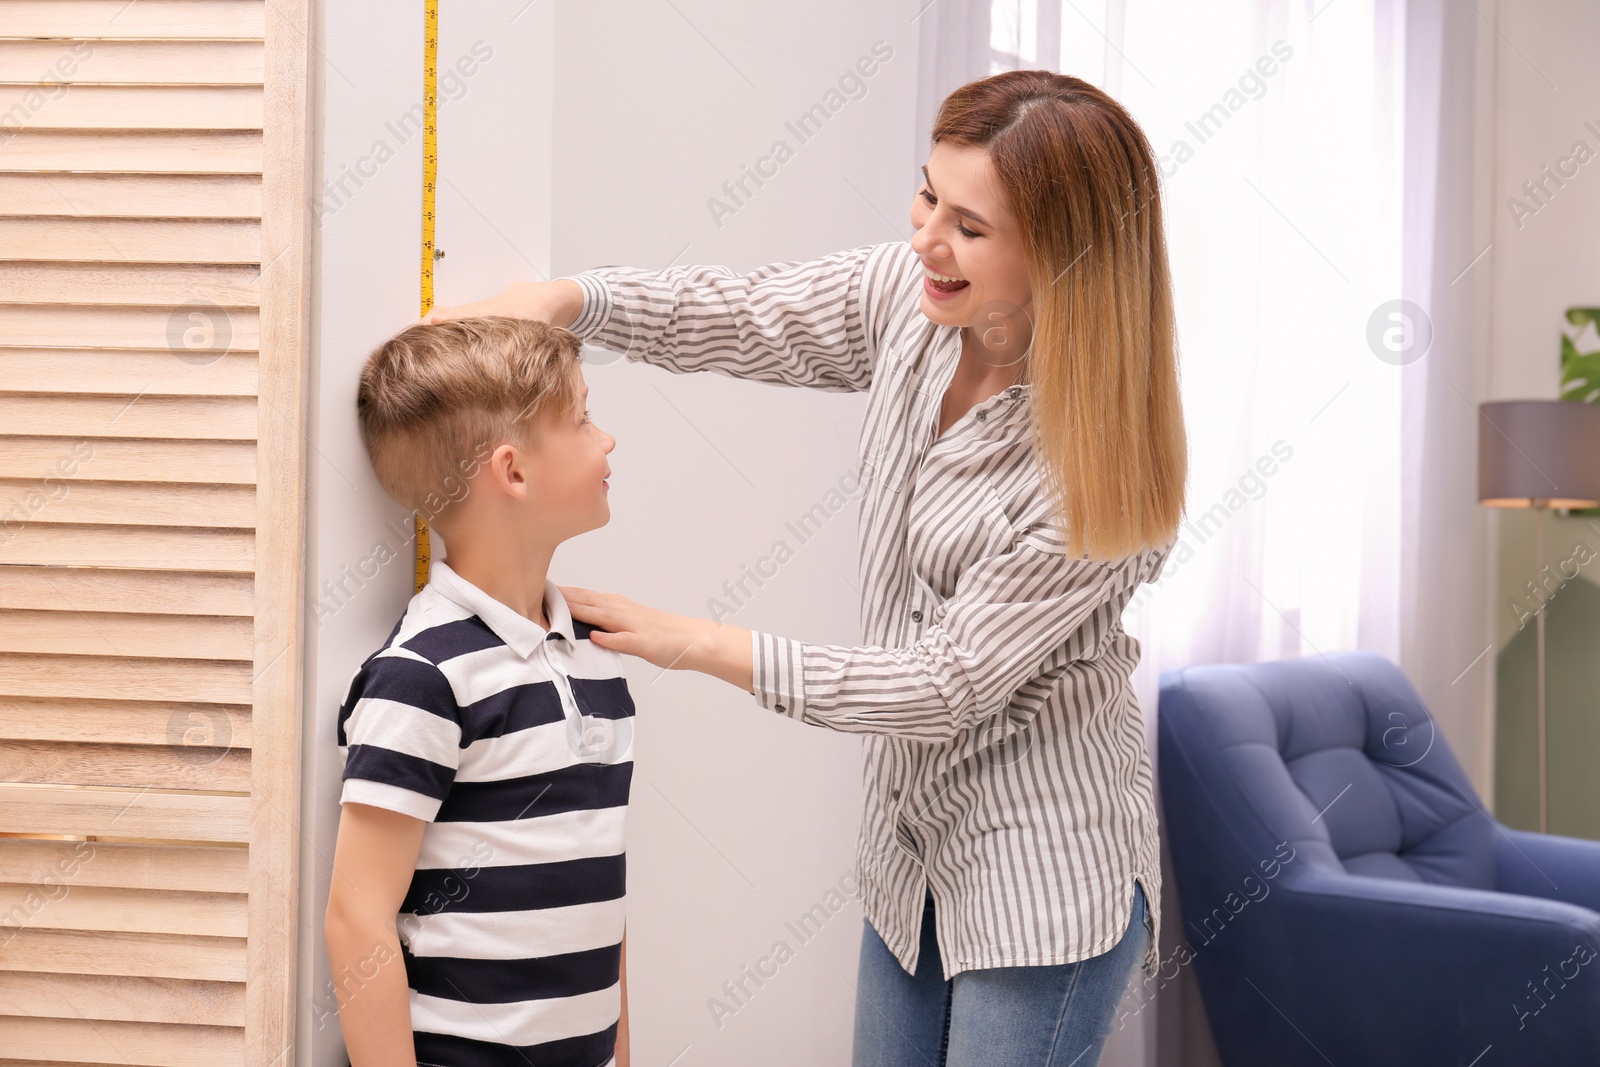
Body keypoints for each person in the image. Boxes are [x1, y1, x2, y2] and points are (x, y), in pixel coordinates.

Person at [428, 69, 1187, 1067]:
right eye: (927, 195)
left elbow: (943, 684)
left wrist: (694, 640)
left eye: (969, 225)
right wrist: (574, 300)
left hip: (1041, 874)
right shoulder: (912, 302)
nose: (925, 239)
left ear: (1063, 251)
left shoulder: (1092, 467)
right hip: (905, 855)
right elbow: (750, 315)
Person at [324, 317, 633, 1067]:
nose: (607, 440)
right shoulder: (422, 676)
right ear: (514, 471)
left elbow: (601, 901)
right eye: (584, 416)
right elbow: (356, 917)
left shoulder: (598, 660)